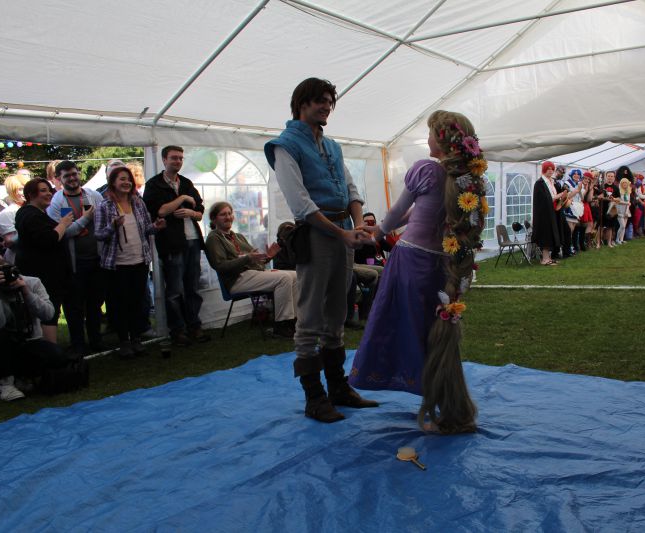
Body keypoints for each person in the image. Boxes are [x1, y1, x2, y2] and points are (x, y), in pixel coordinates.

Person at [350, 110, 484, 434]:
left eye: (430, 133)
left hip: (410, 263)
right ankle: (447, 405)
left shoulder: (426, 170)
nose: (427, 139)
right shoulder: (469, 182)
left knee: (404, 331)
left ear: (442, 139)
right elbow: (416, 212)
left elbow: (400, 210)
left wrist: (378, 233)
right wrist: (384, 228)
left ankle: (432, 398)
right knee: (432, 334)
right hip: (440, 268)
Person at [264, 77, 378, 423]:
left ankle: (338, 388)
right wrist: (342, 233)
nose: (326, 106)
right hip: (316, 236)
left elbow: (351, 189)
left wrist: (357, 226)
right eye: (320, 100)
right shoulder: (285, 146)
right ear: (302, 104)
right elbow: (300, 203)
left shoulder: (332, 146)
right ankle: (314, 398)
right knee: (311, 315)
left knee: (337, 312)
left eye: (330, 101)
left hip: (342, 234)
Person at [95, 166, 166, 358]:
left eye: (128, 179)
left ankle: (135, 338)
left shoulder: (138, 203)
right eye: (122, 179)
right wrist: (112, 226)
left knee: (137, 302)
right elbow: (99, 234)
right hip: (117, 264)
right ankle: (123, 341)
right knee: (120, 304)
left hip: (140, 261)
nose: (126, 182)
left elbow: (146, 229)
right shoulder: (104, 205)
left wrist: (156, 226)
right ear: (113, 183)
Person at [143, 146, 211, 346]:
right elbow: (160, 211)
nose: (178, 161)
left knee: (192, 287)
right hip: (172, 243)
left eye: (181, 158)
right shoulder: (154, 184)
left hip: (193, 240)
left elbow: (199, 211)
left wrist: (192, 213)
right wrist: (182, 198)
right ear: (164, 160)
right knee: (174, 290)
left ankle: (194, 326)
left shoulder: (186, 182)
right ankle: (178, 330)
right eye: (174, 158)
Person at [205, 201, 297, 338]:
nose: (228, 217)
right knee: (284, 278)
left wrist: (267, 257)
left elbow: (253, 260)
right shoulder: (214, 238)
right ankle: (281, 326)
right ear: (214, 219)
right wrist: (247, 258)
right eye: (223, 214)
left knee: (295, 275)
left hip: (250, 274)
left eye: (229, 213)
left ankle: (293, 321)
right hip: (236, 280)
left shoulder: (237, 236)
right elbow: (220, 266)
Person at [47, 160, 106, 355]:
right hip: (72, 264)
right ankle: (78, 343)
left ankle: (96, 340)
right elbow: (64, 232)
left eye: (74, 174)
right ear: (59, 179)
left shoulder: (93, 195)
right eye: (67, 176)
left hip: (96, 259)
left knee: (95, 304)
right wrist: (86, 218)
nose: (72, 178)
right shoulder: (56, 202)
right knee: (74, 306)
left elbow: (102, 221)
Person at [0, 255, 66, 401]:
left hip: (28, 341)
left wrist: (26, 292)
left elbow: (48, 314)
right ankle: (4, 383)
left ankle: (21, 376)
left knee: (57, 356)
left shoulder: (31, 282)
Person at [14, 178, 74, 344]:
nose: (48, 194)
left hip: (47, 272)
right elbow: (49, 239)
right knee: (47, 311)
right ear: (31, 194)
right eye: (43, 190)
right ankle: (49, 350)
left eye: (49, 190)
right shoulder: (31, 215)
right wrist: (63, 224)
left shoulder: (35, 214)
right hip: (43, 274)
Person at [532, 161, 565, 265]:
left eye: (552, 169)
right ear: (544, 169)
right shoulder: (540, 183)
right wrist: (560, 195)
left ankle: (548, 258)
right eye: (548, 169)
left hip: (551, 212)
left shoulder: (550, 182)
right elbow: (546, 199)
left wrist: (560, 197)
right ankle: (545, 259)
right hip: (543, 214)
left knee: (550, 235)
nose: (550, 171)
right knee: (545, 235)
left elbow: (552, 196)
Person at [0, 173, 30, 263]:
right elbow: (10, 242)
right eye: (20, 189)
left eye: (27, 188)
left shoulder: (38, 208)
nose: (25, 191)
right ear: (12, 192)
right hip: (20, 260)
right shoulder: (6, 213)